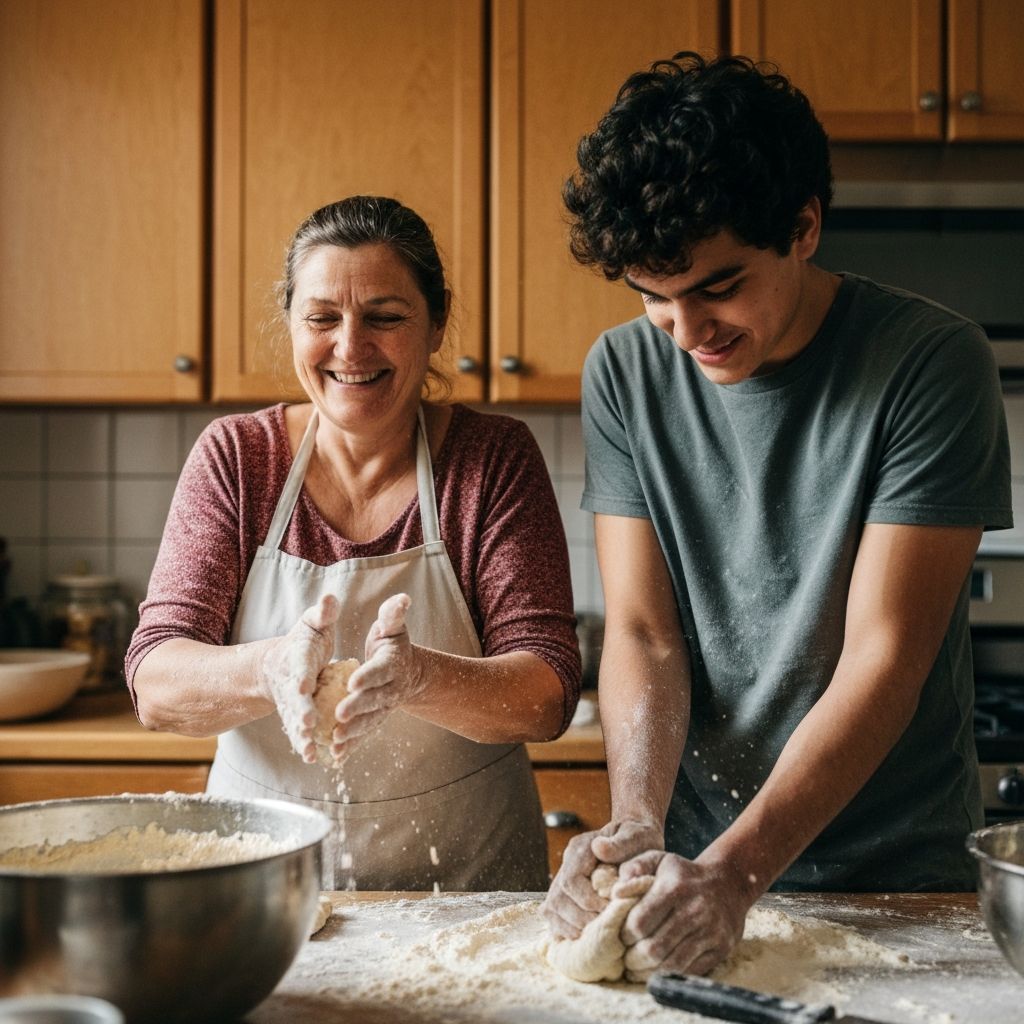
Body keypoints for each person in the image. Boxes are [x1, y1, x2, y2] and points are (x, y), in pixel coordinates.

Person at [541, 52, 1011, 977]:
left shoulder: (931, 364)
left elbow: (884, 659)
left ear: (802, 228)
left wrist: (737, 873)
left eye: (718, 287)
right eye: (654, 297)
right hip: (689, 871)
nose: (686, 332)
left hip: (895, 881)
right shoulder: (623, 373)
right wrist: (638, 825)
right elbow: (643, 631)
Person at [127, 195, 581, 891]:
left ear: (434, 324)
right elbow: (157, 681)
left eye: (385, 317)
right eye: (322, 318)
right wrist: (272, 668)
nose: (350, 347)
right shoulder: (239, 458)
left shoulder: (491, 459)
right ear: (291, 324)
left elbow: (546, 693)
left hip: (472, 896)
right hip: (265, 889)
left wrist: (419, 676)